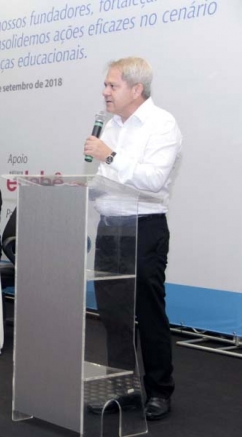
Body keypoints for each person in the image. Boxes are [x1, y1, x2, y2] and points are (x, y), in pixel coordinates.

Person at [83, 57, 182, 421]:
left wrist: (109, 155)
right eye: (106, 85)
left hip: (144, 227)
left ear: (136, 89)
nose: (105, 91)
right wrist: (84, 189)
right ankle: (122, 387)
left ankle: (160, 390)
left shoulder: (162, 124)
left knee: (147, 312)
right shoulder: (112, 125)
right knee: (113, 316)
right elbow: (106, 178)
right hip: (110, 228)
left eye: (112, 86)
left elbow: (153, 180)